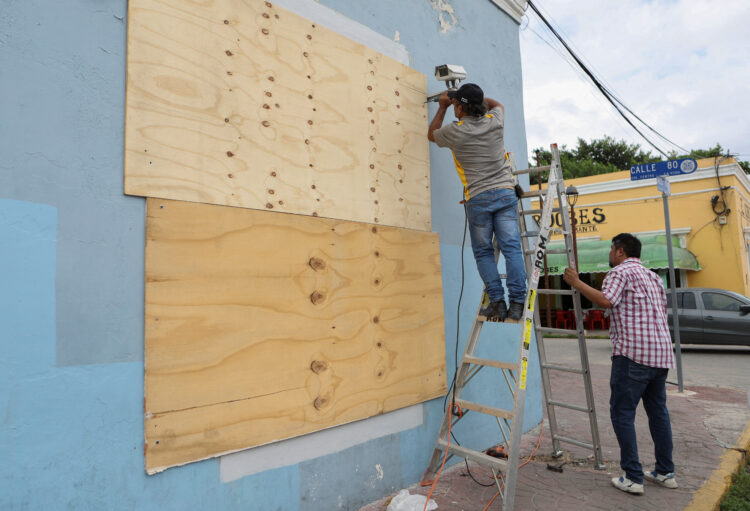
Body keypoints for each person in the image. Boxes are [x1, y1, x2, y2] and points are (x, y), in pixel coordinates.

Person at [563, 233, 677, 495]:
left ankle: (633, 477)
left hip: (633, 355)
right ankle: (665, 472)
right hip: (660, 355)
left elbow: (606, 300)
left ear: (621, 252)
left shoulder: (619, 272)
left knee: (622, 414)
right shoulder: (653, 277)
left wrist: (577, 282)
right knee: (658, 413)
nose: (610, 253)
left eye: (612, 249)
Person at [427, 83, 526, 321]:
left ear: (459, 109)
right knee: (512, 248)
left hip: (478, 198)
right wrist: (471, 98)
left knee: (483, 253)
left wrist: (442, 106)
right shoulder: (495, 121)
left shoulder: (455, 131)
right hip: (504, 192)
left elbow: (431, 134)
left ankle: (498, 303)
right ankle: (518, 303)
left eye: (456, 106)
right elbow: (497, 105)